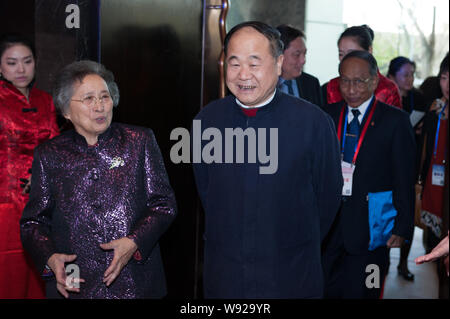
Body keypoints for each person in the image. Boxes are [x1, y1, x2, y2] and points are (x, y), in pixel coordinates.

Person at [192, 21, 342, 298]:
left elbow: (328, 198)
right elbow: (207, 193)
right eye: (234, 63)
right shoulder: (207, 120)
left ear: (278, 62)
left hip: (290, 274)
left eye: (254, 63)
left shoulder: (313, 123)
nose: (243, 74)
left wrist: (292, 241)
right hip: (226, 276)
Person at [20, 60, 177, 299]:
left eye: (104, 97)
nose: (99, 106)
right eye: (88, 99)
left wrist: (134, 241)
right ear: (65, 110)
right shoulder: (49, 155)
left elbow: (163, 204)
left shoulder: (139, 141)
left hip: (134, 281)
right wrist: (50, 257)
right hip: (75, 281)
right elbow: (33, 222)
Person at [322, 51, 415, 298]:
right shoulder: (327, 117)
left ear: (374, 81)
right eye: (345, 80)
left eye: (359, 81)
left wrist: (403, 225)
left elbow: (403, 177)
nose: (351, 89)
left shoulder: (395, 121)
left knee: (368, 290)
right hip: (330, 227)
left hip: (372, 230)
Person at [0, 34, 59, 299]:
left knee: (41, 270)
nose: (21, 69)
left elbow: (56, 147)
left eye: (27, 61)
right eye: (12, 63)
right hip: (5, 202)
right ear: (0, 67)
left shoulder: (45, 100)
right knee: (9, 272)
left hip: (42, 200)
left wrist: (43, 177)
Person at [386, 56, 427, 281]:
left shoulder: (418, 99)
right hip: (387, 165)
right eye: (405, 74)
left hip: (409, 164)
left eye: (412, 74)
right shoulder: (384, 99)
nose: (410, 78)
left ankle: (403, 263)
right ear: (392, 77)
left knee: (407, 213)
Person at [323, 25, 402, 109]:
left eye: (352, 53)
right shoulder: (334, 86)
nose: (346, 59)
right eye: (341, 54)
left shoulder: (388, 89)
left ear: (369, 51)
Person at [416, 54, 449, 256]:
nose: (447, 84)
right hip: (434, 182)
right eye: (444, 78)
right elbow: (425, 148)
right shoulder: (435, 108)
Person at [276, 24, 323, 107]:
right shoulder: (265, 84)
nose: (303, 61)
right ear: (279, 55)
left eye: (304, 54)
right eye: (297, 55)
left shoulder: (311, 84)